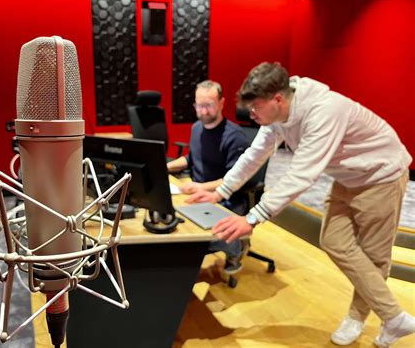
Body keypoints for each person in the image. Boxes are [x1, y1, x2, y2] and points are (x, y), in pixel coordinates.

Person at [186, 62, 414, 347]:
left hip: (382, 175)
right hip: (347, 177)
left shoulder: (323, 112)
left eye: (255, 107)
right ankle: (394, 317)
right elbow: (256, 153)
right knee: (334, 241)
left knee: (375, 256)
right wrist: (221, 191)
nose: (251, 114)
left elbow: (302, 174)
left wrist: (253, 217)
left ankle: (368, 318)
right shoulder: (279, 115)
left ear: (277, 99)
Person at [167, 80, 250, 274]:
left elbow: (235, 179)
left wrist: (200, 187)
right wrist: (166, 166)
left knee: (193, 236)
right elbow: (192, 159)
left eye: (209, 105)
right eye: (199, 105)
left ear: (221, 103)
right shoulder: (197, 128)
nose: (203, 111)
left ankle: (236, 248)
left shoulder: (235, 136)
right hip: (199, 192)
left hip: (227, 198)